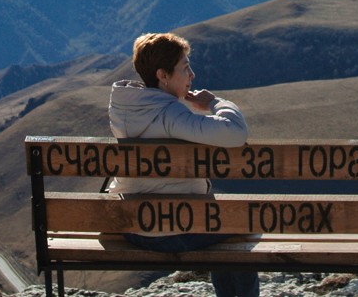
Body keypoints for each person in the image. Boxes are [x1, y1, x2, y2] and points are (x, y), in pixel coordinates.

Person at [107, 32, 259, 297]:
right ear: (162, 75)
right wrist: (215, 103)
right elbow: (235, 133)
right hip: (169, 229)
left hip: (131, 225)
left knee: (217, 223)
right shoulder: (169, 114)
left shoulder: (126, 109)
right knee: (240, 226)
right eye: (185, 68)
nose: (192, 75)